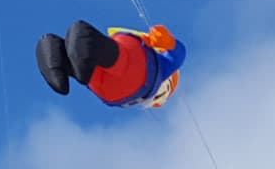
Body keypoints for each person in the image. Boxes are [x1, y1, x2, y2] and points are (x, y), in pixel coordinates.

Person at [38, 20, 186, 110]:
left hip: (136, 71)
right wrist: (167, 43)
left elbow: (179, 54)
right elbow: (178, 54)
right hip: (109, 91)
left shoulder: (162, 67)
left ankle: (75, 46)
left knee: (120, 59)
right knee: (91, 67)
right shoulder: (139, 96)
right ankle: (59, 57)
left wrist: (169, 43)